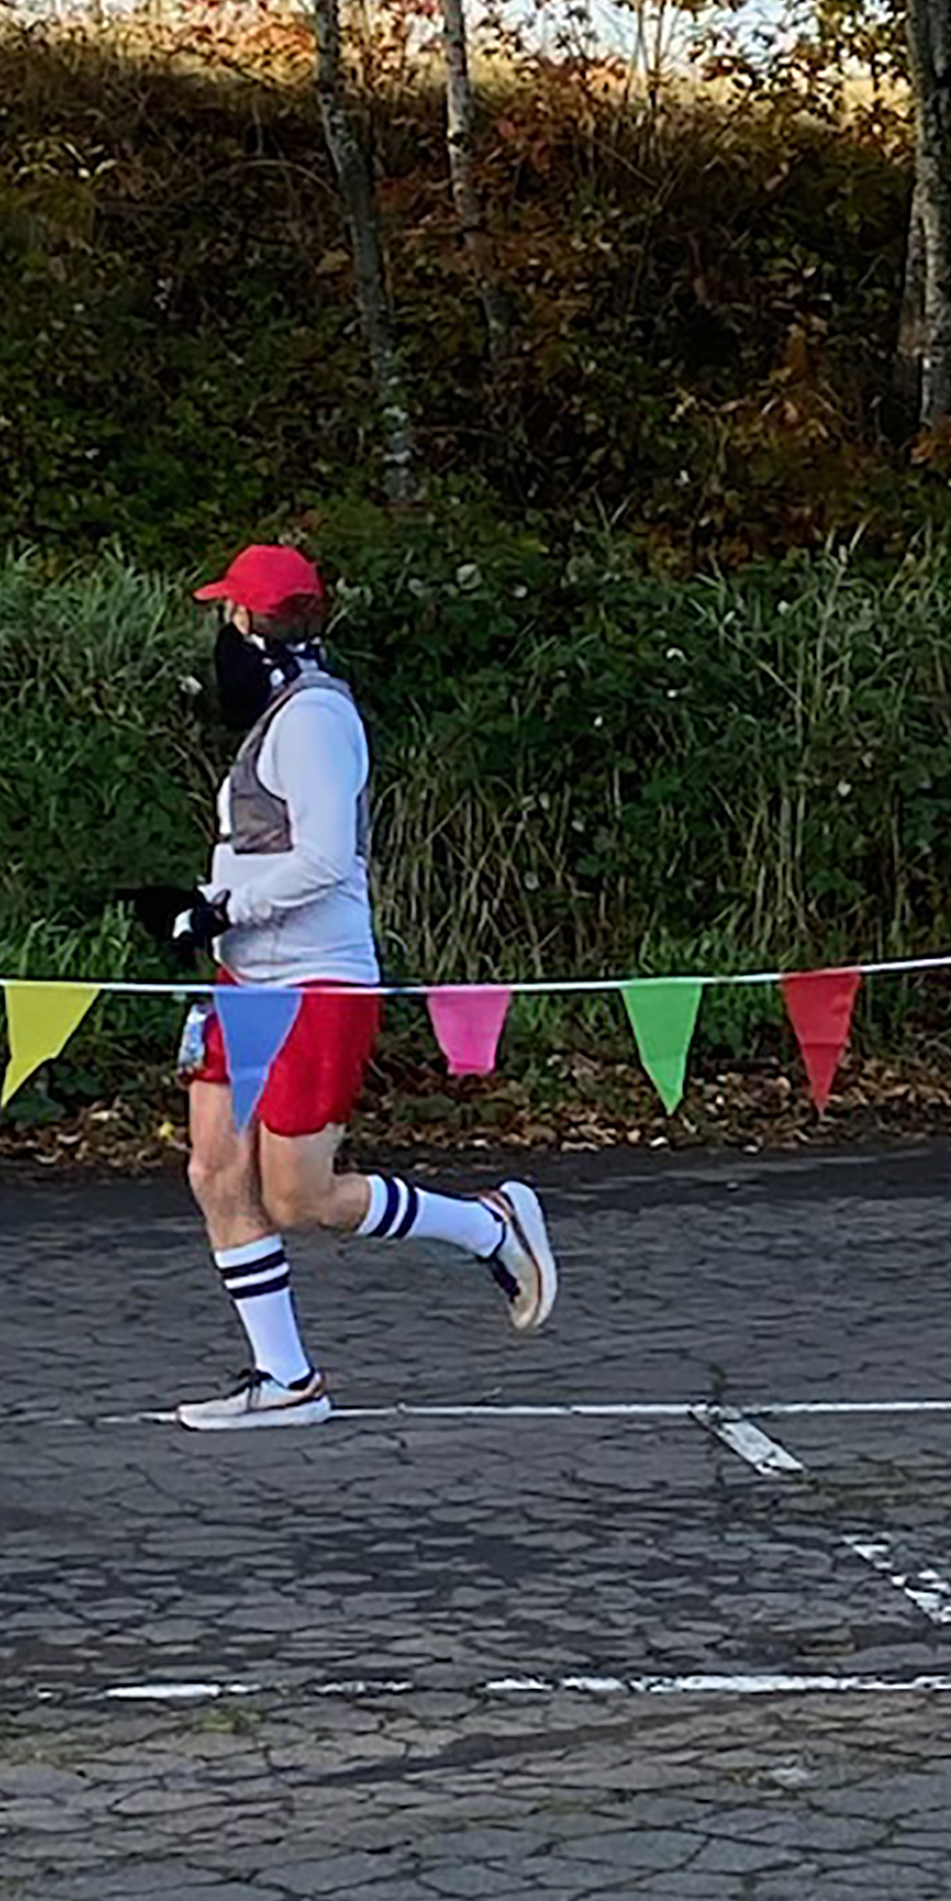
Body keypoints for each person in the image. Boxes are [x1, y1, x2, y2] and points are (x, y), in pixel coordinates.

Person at [132, 540, 556, 1430]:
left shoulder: (317, 718)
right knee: (214, 1169)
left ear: (251, 623)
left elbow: (326, 860)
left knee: (299, 1197)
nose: (219, 628)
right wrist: (206, 909)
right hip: (247, 980)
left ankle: (488, 1225)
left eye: (227, 612)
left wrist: (222, 908)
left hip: (317, 984)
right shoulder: (277, 714)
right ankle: (285, 1380)